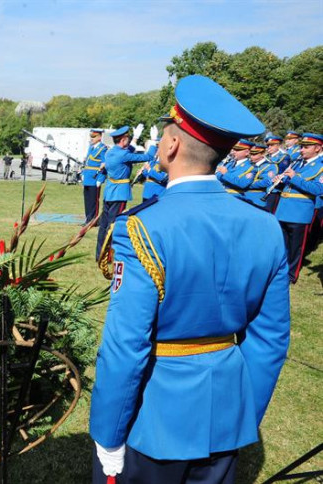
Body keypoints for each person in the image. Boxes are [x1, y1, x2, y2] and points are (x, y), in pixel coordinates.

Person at [91, 74, 289, 484]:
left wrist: (108, 436)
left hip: (155, 421)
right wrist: (240, 413)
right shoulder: (265, 227)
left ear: (172, 144)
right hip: (225, 414)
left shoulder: (141, 228)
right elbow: (270, 340)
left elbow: (126, 346)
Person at [95, 124, 153, 261]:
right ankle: (110, 255)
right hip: (119, 193)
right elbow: (149, 156)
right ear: (123, 140)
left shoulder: (110, 152)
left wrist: (136, 138)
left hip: (109, 192)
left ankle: (100, 254)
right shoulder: (123, 155)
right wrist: (153, 140)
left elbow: (127, 153)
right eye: (128, 138)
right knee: (114, 224)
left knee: (104, 225)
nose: (129, 139)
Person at [273, 133, 323, 284]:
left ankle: (291, 275)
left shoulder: (320, 166)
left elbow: (318, 189)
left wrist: (294, 177)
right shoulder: (298, 162)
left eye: (306, 147)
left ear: (318, 148)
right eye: (301, 146)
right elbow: (288, 182)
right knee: (282, 244)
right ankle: (279, 271)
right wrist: (279, 180)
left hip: (300, 212)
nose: (301, 150)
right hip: (284, 208)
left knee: (296, 248)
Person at [82, 129, 107, 223]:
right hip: (88, 177)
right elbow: (87, 163)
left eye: (94, 137)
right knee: (87, 200)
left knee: (94, 201)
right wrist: (83, 174)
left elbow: (104, 164)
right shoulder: (91, 147)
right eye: (91, 137)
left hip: (95, 178)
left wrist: (100, 179)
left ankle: (93, 220)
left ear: (100, 137)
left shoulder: (103, 148)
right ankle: (88, 218)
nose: (91, 138)